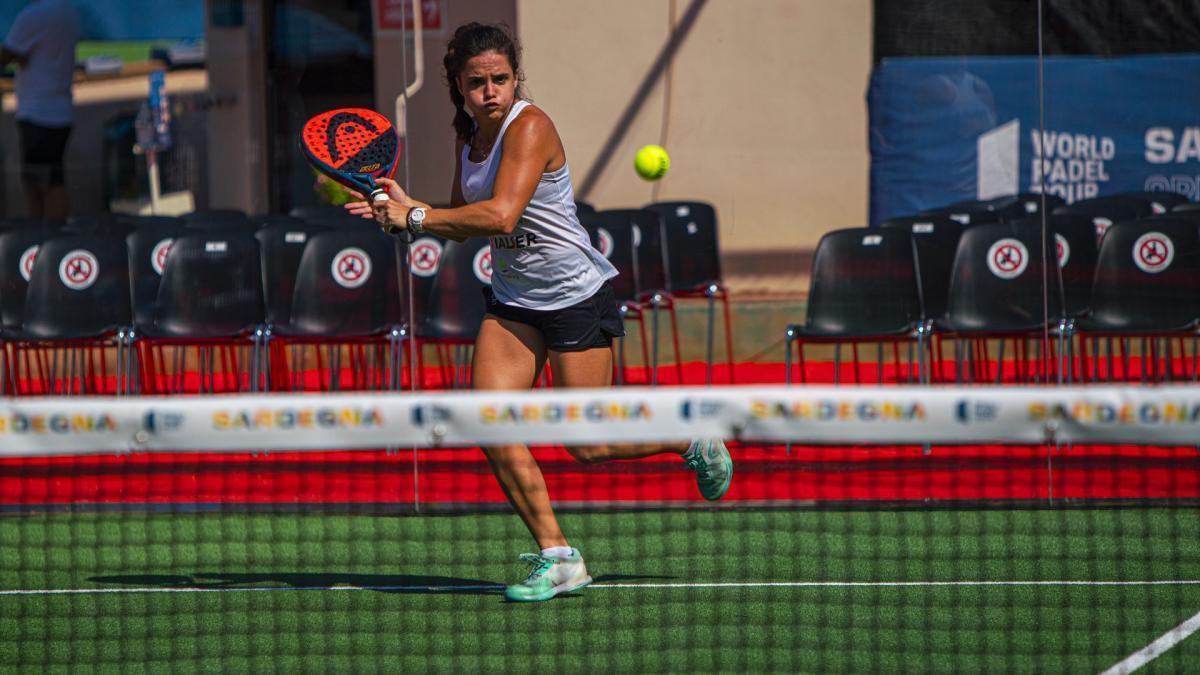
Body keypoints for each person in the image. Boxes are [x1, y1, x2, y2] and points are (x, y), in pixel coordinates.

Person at [346, 22, 733, 603]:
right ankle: (559, 557)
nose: (491, 91)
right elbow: (461, 218)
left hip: (576, 296)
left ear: (515, 77)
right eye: (477, 82)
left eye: (500, 78)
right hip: (513, 302)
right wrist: (410, 205)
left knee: (587, 443)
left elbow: (500, 217)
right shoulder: (469, 138)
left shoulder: (531, 126)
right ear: (458, 86)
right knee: (487, 419)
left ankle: (689, 438)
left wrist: (418, 220)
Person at [1, 0, 80, 220]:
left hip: (38, 112)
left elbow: (7, 55)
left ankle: (40, 233)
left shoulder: (33, 16)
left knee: (37, 181)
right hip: (60, 110)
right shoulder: (68, 11)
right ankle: (53, 231)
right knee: (53, 178)